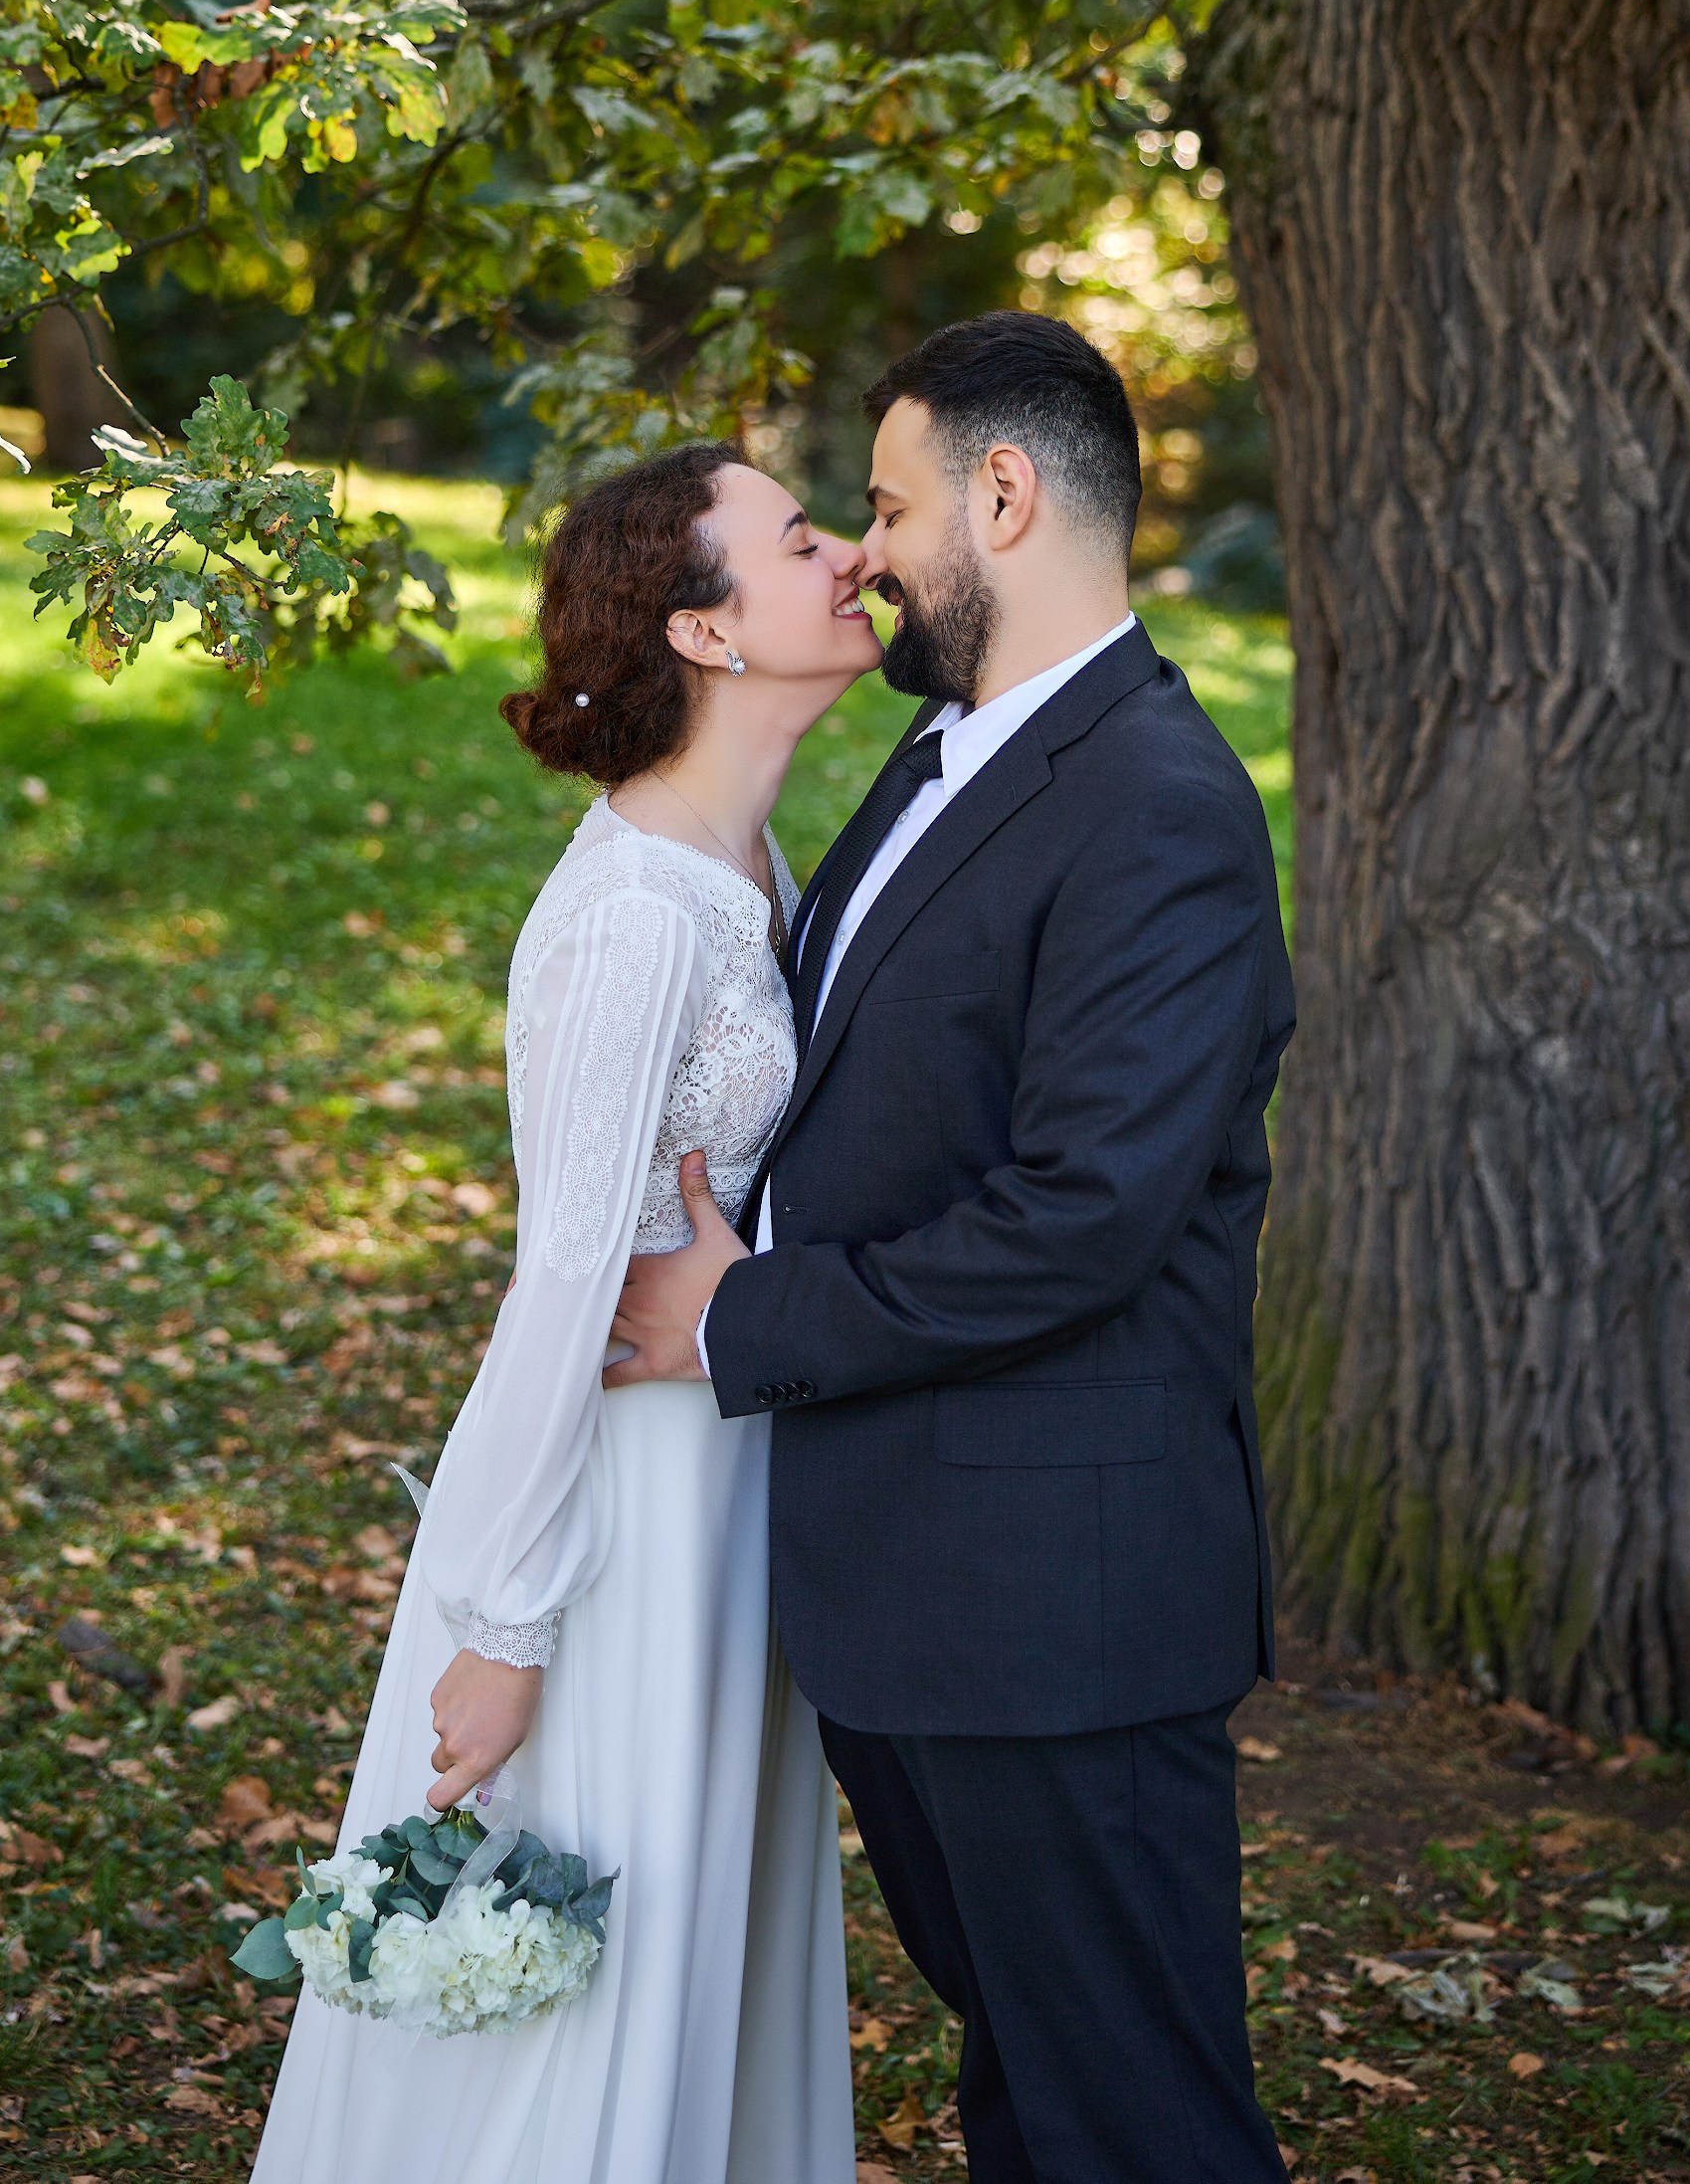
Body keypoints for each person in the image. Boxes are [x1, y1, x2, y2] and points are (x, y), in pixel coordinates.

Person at [610, 311, 1295, 2184]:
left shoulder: (1161, 808)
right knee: (1032, 2092)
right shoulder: (946, 754)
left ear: (1004, 496)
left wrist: (744, 1316)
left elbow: (1081, 1219)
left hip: (1060, 1609)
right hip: (914, 1589)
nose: (868, 549)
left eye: (893, 506)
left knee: (1135, 2123)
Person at [250, 444, 872, 2184]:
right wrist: (506, 1622)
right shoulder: (630, 919)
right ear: (706, 631)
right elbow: (562, 1286)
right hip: (613, 1517)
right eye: (800, 540)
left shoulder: (750, 865)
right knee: (593, 1962)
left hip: (725, 1472)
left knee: (698, 1941)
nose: (849, 556)